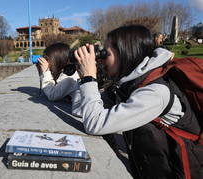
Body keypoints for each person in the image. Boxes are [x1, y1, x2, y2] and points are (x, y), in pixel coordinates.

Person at [74, 25, 202, 178]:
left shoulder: (154, 92)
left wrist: (88, 78)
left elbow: (94, 124)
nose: (101, 59)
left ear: (125, 53)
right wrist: (83, 76)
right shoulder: (128, 84)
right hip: (150, 165)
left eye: (105, 53)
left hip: (176, 170)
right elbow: (81, 110)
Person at [37, 43, 82, 117]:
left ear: (57, 60)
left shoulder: (69, 77)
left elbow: (52, 95)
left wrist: (46, 71)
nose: (46, 62)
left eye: (48, 59)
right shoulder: (71, 71)